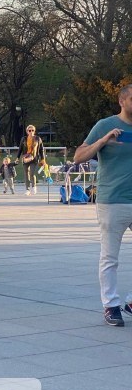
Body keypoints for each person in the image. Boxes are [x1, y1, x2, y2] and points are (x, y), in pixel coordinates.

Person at [73, 84, 132, 327]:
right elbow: (78, 156)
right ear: (122, 101)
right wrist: (104, 140)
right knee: (110, 256)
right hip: (113, 200)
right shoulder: (105, 125)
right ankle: (111, 305)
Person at [16, 125, 46, 195]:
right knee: (26, 173)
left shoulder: (38, 139)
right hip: (25, 158)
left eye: (32, 130)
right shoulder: (24, 139)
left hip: (34, 158)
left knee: (32, 173)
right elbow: (20, 149)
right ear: (27, 131)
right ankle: (27, 189)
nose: (31, 132)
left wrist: (43, 159)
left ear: (34, 131)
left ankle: (34, 186)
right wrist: (17, 157)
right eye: (29, 130)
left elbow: (41, 149)